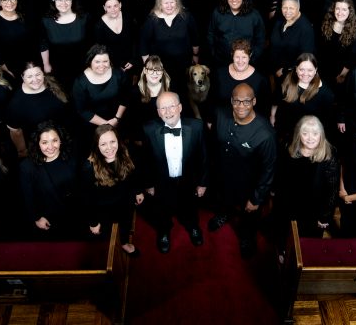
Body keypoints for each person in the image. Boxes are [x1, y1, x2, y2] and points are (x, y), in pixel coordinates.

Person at [209, 83, 276, 259]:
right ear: (231, 101)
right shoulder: (220, 114)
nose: (241, 106)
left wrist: (256, 198)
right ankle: (224, 214)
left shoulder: (266, 134)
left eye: (246, 101)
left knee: (249, 215)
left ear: (254, 101)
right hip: (222, 177)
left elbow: (269, 169)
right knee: (223, 200)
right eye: (237, 101)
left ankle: (247, 236)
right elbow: (213, 143)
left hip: (248, 184)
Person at [143, 91, 208, 253]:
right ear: (158, 112)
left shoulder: (197, 127)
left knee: (190, 206)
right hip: (162, 181)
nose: (168, 111)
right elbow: (145, 160)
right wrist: (149, 184)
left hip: (188, 180)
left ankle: (193, 226)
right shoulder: (148, 129)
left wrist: (202, 183)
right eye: (163, 108)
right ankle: (164, 231)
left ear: (180, 107)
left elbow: (204, 157)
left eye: (171, 106)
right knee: (162, 209)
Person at [274, 116, 339, 242]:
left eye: (315, 134)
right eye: (305, 133)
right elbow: (282, 178)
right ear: (299, 134)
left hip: (312, 210)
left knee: (308, 241)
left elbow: (332, 191)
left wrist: (325, 216)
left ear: (321, 135)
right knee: (285, 237)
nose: (310, 138)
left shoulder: (329, 156)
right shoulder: (289, 148)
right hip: (289, 204)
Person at [81, 124, 144, 256]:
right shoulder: (89, 167)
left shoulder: (126, 153)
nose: (109, 148)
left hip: (126, 201)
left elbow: (134, 175)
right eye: (103, 144)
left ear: (118, 141)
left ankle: (125, 243)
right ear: (97, 146)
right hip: (105, 209)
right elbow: (87, 198)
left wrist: (138, 191)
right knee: (108, 235)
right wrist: (93, 222)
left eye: (112, 142)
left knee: (125, 224)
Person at [20, 121, 80, 240]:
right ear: (38, 144)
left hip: (75, 214)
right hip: (49, 219)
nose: (51, 147)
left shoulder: (72, 156)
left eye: (54, 140)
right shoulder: (27, 167)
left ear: (60, 140)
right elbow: (28, 196)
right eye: (44, 142)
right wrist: (37, 218)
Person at [139, 0, 199, 91]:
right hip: (160, 67)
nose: (169, 6)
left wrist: (195, 55)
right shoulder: (152, 19)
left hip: (183, 63)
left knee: (183, 90)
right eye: (166, 3)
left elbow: (195, 37)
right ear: (160, 4)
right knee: (164, 91)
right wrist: (148, 66)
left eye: (172, 2)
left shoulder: (186, 16)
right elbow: (143, 43)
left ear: (177, 2)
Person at [7, 63, 70, 157]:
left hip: (63, 137)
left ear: (43, 73)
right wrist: (22, 150)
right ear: (22, 77)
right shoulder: (16, 103)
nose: (35, 79)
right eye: (29, 76)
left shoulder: (54, 82)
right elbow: (16, 132)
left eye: (38, 74)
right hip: (41, 146)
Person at [271, 53, 334, 148]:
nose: (305, 74)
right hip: (285, 131)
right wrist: (272, 116)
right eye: (301, 69)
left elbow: (325, 122)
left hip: (306, 138)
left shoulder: (326, 93)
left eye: (310, 70)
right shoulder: (286, 80)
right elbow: (276, 101)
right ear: (296, 69)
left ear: (316, 70)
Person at [73, 45, 129, 151]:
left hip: (118, 118)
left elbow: (125, 97)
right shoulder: (80, 82)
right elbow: (82, 110)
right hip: (93, 123)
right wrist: (106, 125)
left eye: (105, 61)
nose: (102, 65)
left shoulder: (118, 74)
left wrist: (116, 119)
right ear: (90, 61)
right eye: (97, 61)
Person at [40, 0, 89, 92]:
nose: (64, 3)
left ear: (72, 1)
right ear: (54, 1)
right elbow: (44, 44)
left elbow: (91, 42)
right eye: (59, 0)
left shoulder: (83, 18)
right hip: (58, 66)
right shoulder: (46, 21)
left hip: (81, 64)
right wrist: (46, 64)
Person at [210, 39, 271, 120]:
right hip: (222, 120)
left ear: (250, 56)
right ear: (232, 56)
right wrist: (210, 119)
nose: (240, 61)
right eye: (237, 57)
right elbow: (212, 100)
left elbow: (265, 108)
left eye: (244, 57)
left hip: (249, 123)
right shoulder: (219, 74)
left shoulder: (260, 79)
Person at [207, 0, 265, 67]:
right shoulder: (217, 13)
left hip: (245, 63)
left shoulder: (254, 15)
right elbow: (210, 33)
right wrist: (213, 53)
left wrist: (252, 57)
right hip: (221, 61)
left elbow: (260, 39)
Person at [317, 0, 356, 93]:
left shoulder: (355, 30)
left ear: (350, 12)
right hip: (322, 67)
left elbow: (352, 56)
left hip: (340, 72)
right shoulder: (326, 22)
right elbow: (319, 48)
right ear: (333, 9)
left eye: (344, 9)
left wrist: (342, 74)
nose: (340, 12)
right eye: (337, 8)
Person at [269, 0, 316, 79]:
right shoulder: (279, 18)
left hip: (291, 74)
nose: (287, 11)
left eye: (291, 8)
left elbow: (305, 57)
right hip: (274, 68)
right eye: (285, 7)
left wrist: (285, 70)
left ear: (298, 8)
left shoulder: (306, 29)